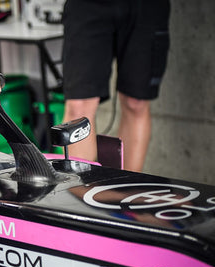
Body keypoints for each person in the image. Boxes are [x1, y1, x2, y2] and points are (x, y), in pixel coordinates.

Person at [61, 0, 170, 172]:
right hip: (86, 6)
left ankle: (127, 191)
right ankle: (77, 193)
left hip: (146, 5)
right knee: (78, 106)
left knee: (136, 102)